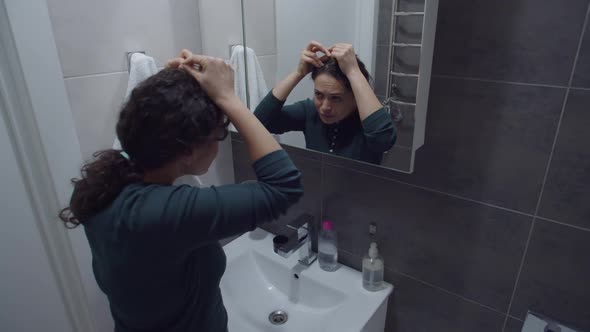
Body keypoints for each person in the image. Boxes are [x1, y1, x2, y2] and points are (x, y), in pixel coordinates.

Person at [59, 50, 303, 332]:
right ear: (187, 149)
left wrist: (177, 85)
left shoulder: (105, 183)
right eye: (218, 136)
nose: (218, 145)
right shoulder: (163, 214)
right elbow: (284, 186)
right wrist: (227, 97)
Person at [254, 41, 396, 164]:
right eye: (319, 95)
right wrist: (298, 73)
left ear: (355, 97)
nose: (325, 107)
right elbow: (260, 123)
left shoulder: (367, 122)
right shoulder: (309, 111)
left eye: (336, 98)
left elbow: (384, 140)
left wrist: (353, 71)